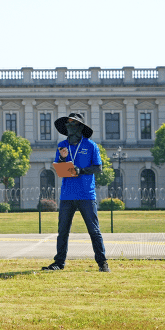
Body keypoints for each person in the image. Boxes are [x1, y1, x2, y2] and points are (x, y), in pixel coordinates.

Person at [43, 112, 110, 272]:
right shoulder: (62, 146)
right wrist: (62, 158)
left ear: (80, 127)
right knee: (63, 231)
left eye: (73, 123)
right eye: (68, 123)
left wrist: (81, 170)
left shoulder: (91, 145)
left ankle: (102, 263)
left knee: (94, 230)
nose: (70, 126)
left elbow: (98, 167)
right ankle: (59, 263)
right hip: (67, 195)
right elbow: (59, 168)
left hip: (86, 195)